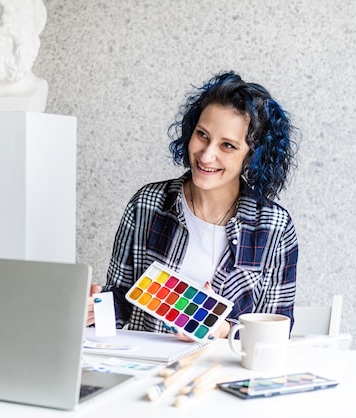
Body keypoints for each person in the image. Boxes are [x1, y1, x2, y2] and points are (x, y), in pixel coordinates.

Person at [87, 71, 299, 340]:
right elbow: (121, 300)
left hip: (227, 374)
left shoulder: (274, 227)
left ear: (253, 157)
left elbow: (277, 334)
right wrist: (95, 309)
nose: (207, 155)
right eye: (202, 135)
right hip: (151, 370)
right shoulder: (147, 205)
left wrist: (223, 331)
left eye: (228, 145)